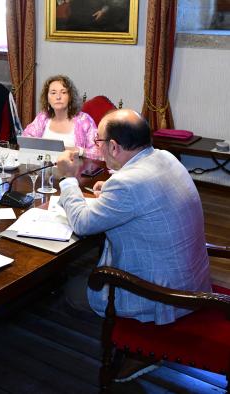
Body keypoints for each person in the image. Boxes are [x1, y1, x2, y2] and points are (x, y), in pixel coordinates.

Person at [57, 109, 212, 381]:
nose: (98, 147)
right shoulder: (163, 157)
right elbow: (145, 195)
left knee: (72, 292)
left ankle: (139, 346)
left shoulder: (128, 183)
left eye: (99, 142)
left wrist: (68, 179)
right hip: (191, 277)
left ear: (114, 147)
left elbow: (81, 222)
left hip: (163, 295)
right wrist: (112, 191)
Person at [23, 75, 99, 159]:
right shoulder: (43, 117)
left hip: (73, 169)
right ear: (47, 98)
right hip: (44, 168)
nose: (58, 97)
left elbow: (98, 152)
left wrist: (78, 151)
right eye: (53, 93)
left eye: (63, 92)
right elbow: (26, 139)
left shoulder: (84, 120)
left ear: (70, 97)